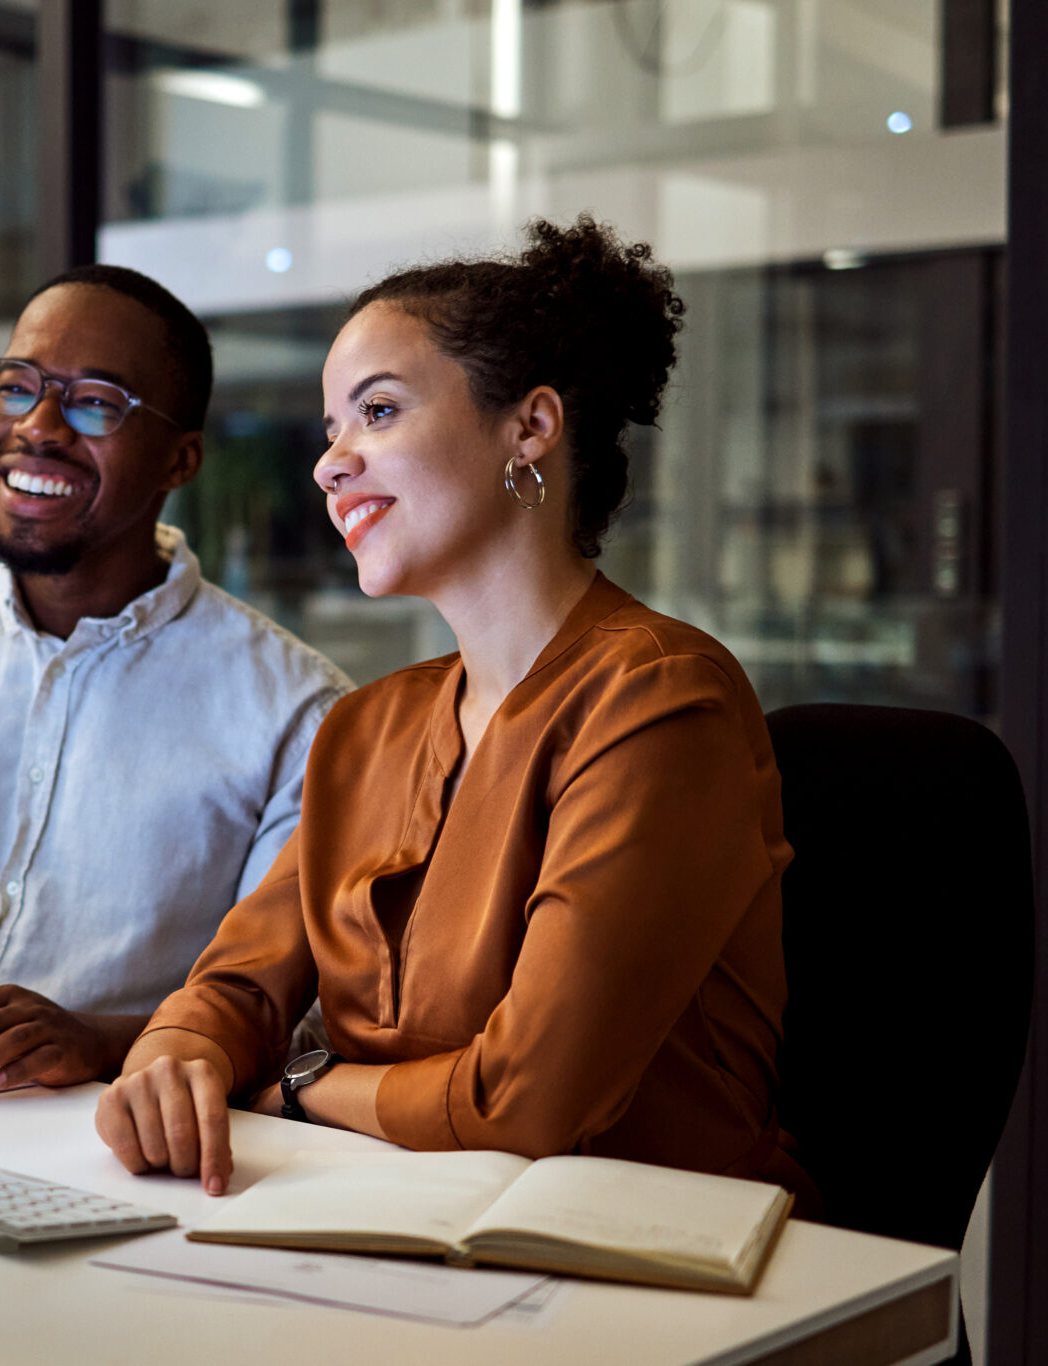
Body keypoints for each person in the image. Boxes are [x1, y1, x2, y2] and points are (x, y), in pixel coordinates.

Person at [96, 216, 819, 1215]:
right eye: (330, 431)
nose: (330, 465)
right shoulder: (369, 726)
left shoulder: (661, 697)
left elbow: (526, 1101)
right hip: (390, 1217)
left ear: (530, 427)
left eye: (378, 412)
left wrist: (295, 1089)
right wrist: (179, 1056)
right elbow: (235, 992)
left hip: (625, 1256)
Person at [0, 265, 350, 1089]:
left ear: (179, 459)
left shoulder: (295, 711)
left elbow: (295, 1019)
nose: (38, 427)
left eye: (94, 403)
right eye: (16, 386)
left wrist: (104, 1040)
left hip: (95, 1130)